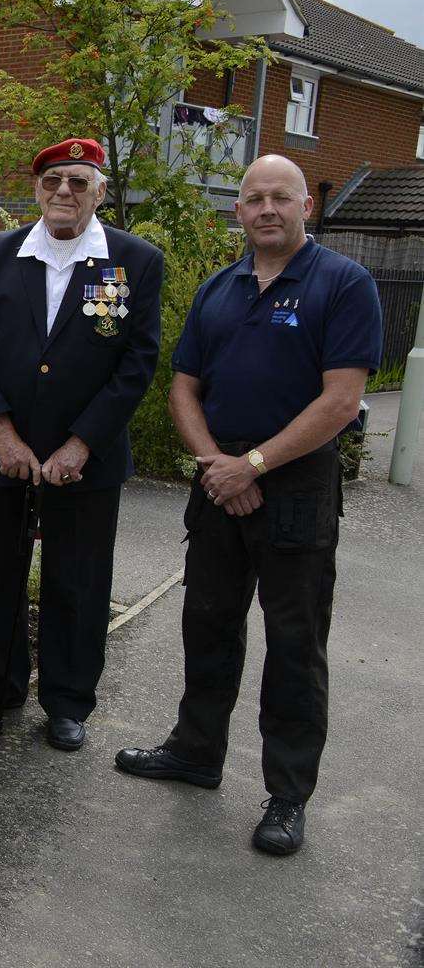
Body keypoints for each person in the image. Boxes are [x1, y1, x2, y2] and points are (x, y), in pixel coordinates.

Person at [115, 155, 381, 857]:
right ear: (237, 211)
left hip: (294, 487)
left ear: (305, 208)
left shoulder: (343, 284)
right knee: (207, 623)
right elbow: (182, 387)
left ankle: (288, 795)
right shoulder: (219, 289)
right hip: (219, 479)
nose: (266, 209)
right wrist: (217, 465)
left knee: (294, 644)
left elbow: (342, 400)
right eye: (253, 198)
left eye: (280, 198)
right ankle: (196, 752)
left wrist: (254, 465)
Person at [0, 137, 163, 752]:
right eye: (52, 181)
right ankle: (0, 680)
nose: (63, 192)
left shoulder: (133, 261)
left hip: (84, 461)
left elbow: (136, 364)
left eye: (77, 181)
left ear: (99, 190)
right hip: (4, 453)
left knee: (79, 580)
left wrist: (81, 444)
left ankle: (69, 701)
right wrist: (1, 433)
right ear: (36, 189)